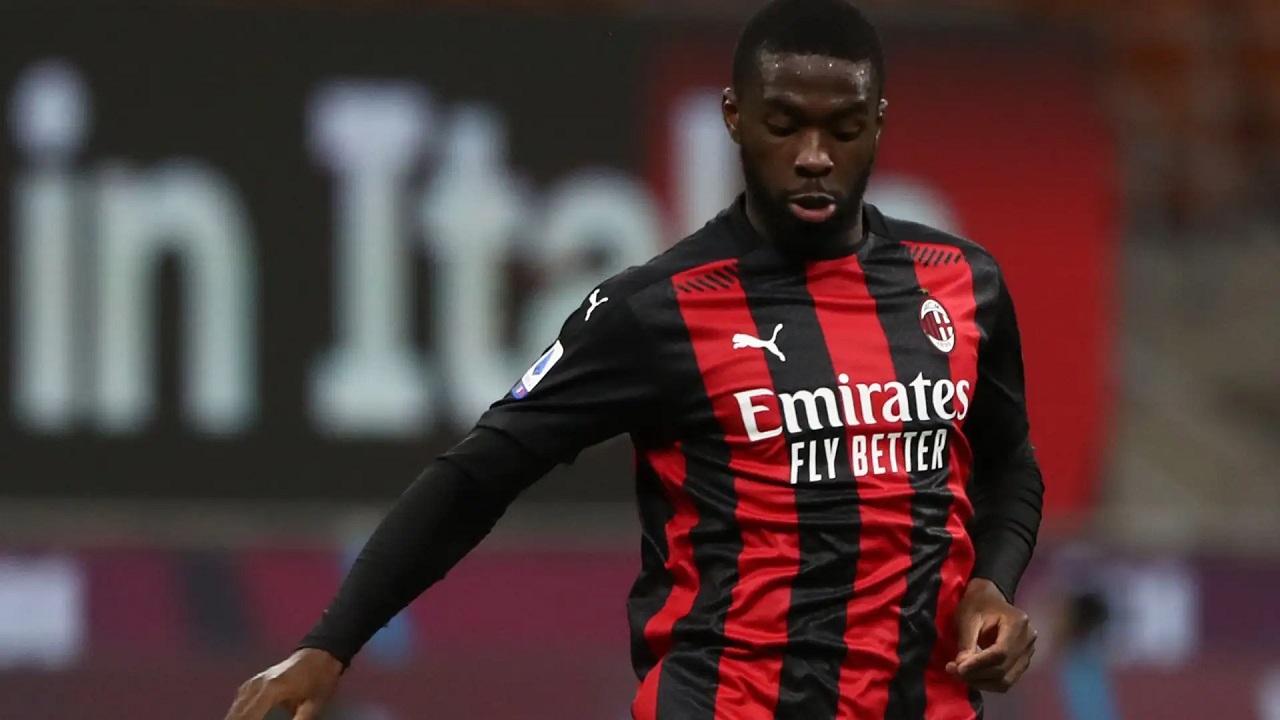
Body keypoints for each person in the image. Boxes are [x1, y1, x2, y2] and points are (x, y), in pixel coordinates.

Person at [224, 0, 1043, 718]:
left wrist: (992, 585)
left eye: (845, 128)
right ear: (734, 116)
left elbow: (1011, 467)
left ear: (879, 122)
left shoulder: (962, 283)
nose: (814, 155)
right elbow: (480, 474)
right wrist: (330, 643)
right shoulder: (657, 309)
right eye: (784, 124)